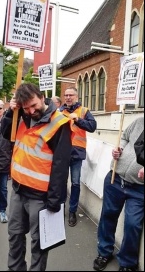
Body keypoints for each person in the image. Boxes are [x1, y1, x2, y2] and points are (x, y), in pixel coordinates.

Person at [0, 83, 72, 271]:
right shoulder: (21, 115)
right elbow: (6, 133)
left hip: (40, 197)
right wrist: (10, 112)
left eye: (34, 105)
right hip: (17, 189)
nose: (32, 111)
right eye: (26, 108)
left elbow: (61, 165)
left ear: (41, 97)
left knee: (39, 243)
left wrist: (55, 200)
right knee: (15, 235)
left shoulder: (59, 123)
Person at [93, 116, 144, 271]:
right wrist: (119, 149)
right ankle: (104, 251)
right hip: (116, 177)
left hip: (139, 188)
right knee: (108, 215)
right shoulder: (140, 121)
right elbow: (124, 137)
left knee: (132, 224)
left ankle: (128, 263)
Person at [60, 86, 97, 227]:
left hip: (77, 152)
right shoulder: (59, 111)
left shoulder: (83, 111)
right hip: (62, 153)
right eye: (66, 95)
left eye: (71, 95)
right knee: (62, 182)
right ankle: (60, 208)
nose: (68, 97)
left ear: (76, 96)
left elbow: (92, 127)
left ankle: (72, 211)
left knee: (75, 183)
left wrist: (77, 120)